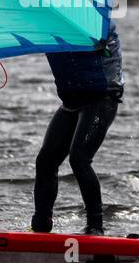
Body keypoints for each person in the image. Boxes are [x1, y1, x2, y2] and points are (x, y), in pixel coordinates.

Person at [32, 21, 123, 236]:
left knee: (79, 158)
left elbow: (97, 30)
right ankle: (41, 228)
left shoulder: (95, 21)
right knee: (45, 161)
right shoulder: (45, 23)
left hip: (101, 99)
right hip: (71, 103)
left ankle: (96, 228)